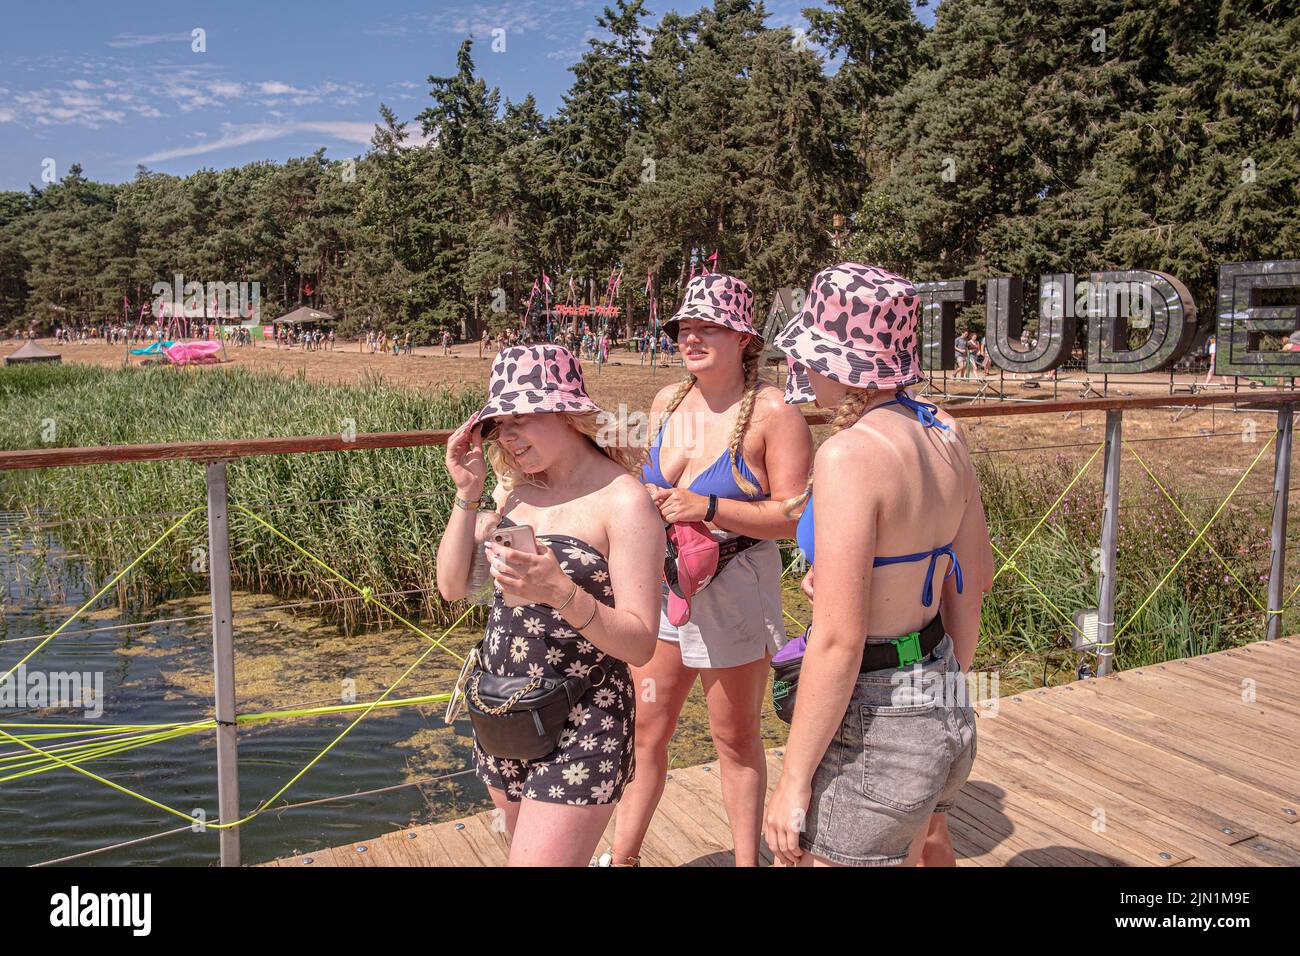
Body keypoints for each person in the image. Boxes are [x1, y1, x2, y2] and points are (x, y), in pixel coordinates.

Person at [764, 262, 993, 868]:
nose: (805, 370)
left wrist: (793, 781)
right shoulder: (944, 429)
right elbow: (973, 580)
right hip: (940, 696)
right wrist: (945, 685)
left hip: (877, 720)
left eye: (812, 355)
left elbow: (840, 641)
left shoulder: (848, 454)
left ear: (841, 364)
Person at [605, 273, 813, 867]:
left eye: (708, 326)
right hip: (665, 588)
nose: (691, 337)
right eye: (683, 327)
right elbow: (641, 484)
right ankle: (623, 858)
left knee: (735, 738)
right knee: (647, 730)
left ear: (745, 336)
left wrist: (711, 507)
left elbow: (795, 517)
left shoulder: (775, 413)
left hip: (734, 589)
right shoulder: (667, 401)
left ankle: (749, 863)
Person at [437, 344, 665, 866]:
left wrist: (560, 592)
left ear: (568, 413)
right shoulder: (514, 495)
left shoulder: (623, 501)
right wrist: (467, 493)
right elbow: (452, 586)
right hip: (505, 709)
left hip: (585, 718)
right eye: (499, 423)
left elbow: (641, 642)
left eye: (522, 417)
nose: (509, 436)